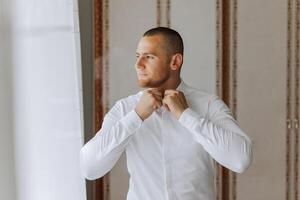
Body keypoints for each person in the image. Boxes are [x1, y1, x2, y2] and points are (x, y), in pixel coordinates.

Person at [80, 27, 253, 200]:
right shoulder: (125, 109)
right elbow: (89, 168)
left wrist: (186, 116)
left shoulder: (208, 105)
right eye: (137, 56)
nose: (138, 64)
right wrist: (136, 117)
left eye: (148, 57)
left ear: (175, 62)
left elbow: (241, 159)